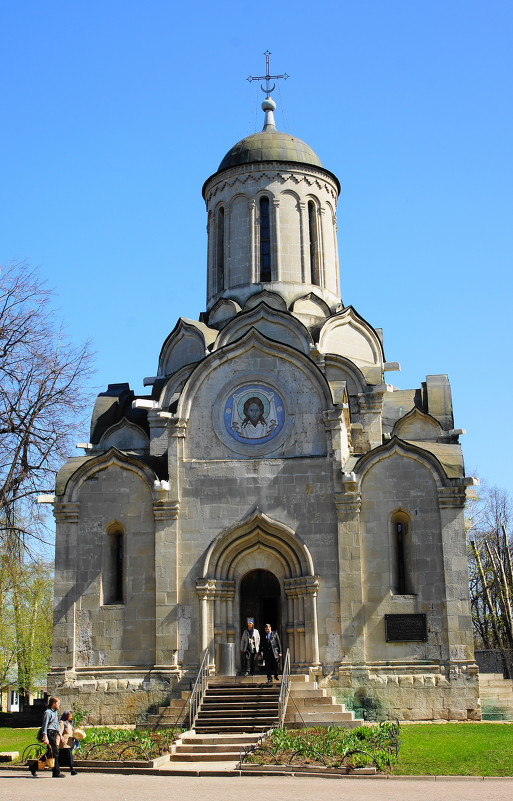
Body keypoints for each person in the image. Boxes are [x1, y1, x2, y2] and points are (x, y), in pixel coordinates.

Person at [30, 695, 65, 778]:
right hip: (49, 733)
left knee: (50, 753)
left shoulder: (55, 712)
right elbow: (44, 726)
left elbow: (56, 724)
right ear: (53, 703)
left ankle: (33, 767)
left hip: (54, 733)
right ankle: (56, 772)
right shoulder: (47, 713)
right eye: (58, 703)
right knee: (55, 752)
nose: (59, 705)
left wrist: (60, 734)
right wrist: (45, 737)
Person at [58, 711, 77, 775]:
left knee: (59, 759)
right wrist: (57, 742)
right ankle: (72, 770)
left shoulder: (70, 723)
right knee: (69, 756)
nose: (71, 717)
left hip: (70, 742)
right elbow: (59, 732)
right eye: (69, 716)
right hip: (64, 743)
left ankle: (33, 767)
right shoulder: (62, 723)